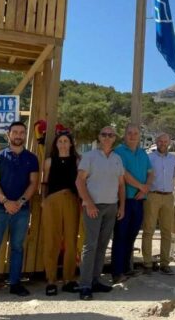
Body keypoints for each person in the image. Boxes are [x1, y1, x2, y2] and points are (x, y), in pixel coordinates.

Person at [0, 122, 39, 304]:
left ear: (25, 135)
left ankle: (15, 283)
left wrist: (20, 202)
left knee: (17, 247)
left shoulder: (32, 158)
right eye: (15, 132)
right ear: (8, 134)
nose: (18, 135)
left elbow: (33, 183)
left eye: (22, 132)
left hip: (21, 210)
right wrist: (5, 201)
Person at [76, 126, 126, 300]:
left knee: (102, 245)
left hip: (111, 206)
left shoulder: (117, 159)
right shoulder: (89, 156)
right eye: (104, 134)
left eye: (110, 135)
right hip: (93, 206)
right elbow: (79, 182)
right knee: (90, 245)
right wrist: (89, 203)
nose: (107, 137)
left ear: (114, 138)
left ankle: (96, 280)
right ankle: (85, 284)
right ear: (99, 137)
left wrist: (122, 206)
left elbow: (121, 185)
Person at [111, 123, 153, 283]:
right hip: (124, 200)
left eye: (135, 133)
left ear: (139, 136)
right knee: (120, 236)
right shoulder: (118, 152)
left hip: (139, 201)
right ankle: (117, 272)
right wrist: (141, 186)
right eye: (129, 133)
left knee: (131, 235)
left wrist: (146, 188)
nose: (132, 136)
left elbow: (151, 173)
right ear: (124, 135)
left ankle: (127, 268)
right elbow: (123, 174)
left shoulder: (143, 153)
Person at [40, 132, 80, 296]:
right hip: (52, 200)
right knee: (52, 239)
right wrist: (43, 200)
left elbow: (81, 182)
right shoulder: (49, 162)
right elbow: (44, 182)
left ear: (71, 144)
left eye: (66, 141)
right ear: (56, 144)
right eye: (60, 141)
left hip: (71, 199)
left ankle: (68, 279)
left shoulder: (77, 161)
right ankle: (51, 280)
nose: (63, 144)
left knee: (71, 239)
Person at [143, 133, 175, 275]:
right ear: (156, 142)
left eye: (165, 141)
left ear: (169, 143)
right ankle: (147, 263)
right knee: (148, 230)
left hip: (168, 197)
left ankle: (165, 263)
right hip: (153, 196)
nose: (163, 143)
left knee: (167, 231)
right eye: (160, 141)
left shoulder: (173, 159)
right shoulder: (149, 157)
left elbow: (173, 176)